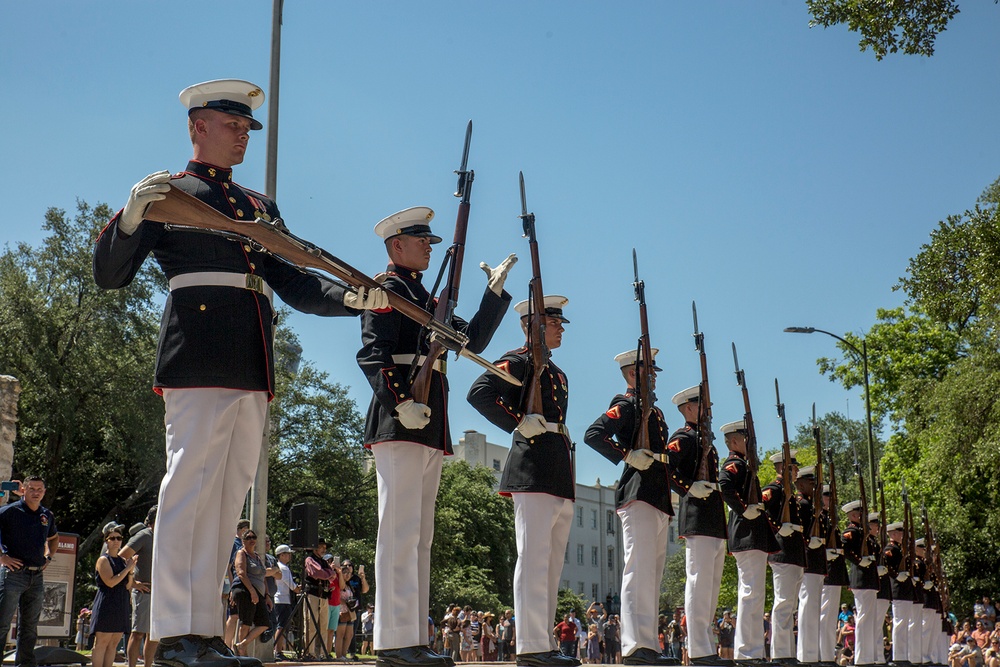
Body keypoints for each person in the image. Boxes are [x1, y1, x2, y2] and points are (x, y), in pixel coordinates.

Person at [92, 79, 388, 667]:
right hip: (198, 350)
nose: (244, 137)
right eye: (234, 126)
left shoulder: (259, 207)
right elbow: (109, 274)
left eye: (249, 129)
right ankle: (175, 632)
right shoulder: (168, 194)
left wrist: (353, 299)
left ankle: (202, 631)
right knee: (186, 492)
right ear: (197, 126)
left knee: (226, 499)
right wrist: (129, 217)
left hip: (251, 358)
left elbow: (296, 283)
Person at [358, 207, 513, 667]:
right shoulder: (387, 289)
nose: (430, 245)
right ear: (395, 246)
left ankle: (411, 638)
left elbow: (472, 342)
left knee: (420, 536)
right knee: (399, 531)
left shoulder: (425, 298)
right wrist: (398, 399)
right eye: (420, 239)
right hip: (402, 416)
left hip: (429, 421)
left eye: (431, 240)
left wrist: (493, 293)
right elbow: (373, 350)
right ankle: (392, 639)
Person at [468, 295, 578, 667]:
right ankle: (531, 646)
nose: (561, 328)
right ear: (531, 325)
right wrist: (517, 420)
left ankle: (542, 642)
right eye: (553, 322)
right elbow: (480, 393)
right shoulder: (517, 360)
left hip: (557, 467)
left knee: (550, 564)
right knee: (532, 559)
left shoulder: (556, 371)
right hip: (532, 467)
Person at [583, 348, 676, 666]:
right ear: (632, 374)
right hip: (637, 493)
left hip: (658, 496)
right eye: (648, 371)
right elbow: (593, 434)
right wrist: (625, 454)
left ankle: (648, 644)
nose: (653, 377)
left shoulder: (656, 411)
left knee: (652, 574)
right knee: (638, 571)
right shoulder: (625, 405)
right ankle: (636, 647)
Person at [663, 386, 727, 667]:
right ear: (688, 409)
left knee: (711, 587)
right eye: (703, 406)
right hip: (697, 516)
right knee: (699, 583)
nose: (708, 412)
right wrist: (689, 487)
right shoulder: (684, 438)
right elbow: (666, 467)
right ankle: (700, 650)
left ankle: (706, 647)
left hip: (713, 518)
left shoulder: (705, 441)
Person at [717, 419, 779, 665]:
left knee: (755, 596)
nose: (750, 443)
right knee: (749, 594)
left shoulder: (745, 465)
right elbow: (724, 485)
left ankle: (752, 650)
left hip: (753, 535)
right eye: (745, 439)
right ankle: (746, 652)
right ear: (733, 441)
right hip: (746, 533)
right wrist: (744, 510)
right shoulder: (735, 463)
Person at [0, 476, 60, 667]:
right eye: (32, 488)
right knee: (2, 624)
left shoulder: (46, 515)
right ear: (23, 490)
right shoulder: (10, 511)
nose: (36, 492)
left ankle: (25, 664)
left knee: (29, 627)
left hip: (36, 576)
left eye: (40, 489)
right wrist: (2, 557)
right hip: (13, 574)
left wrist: (49, 557)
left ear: (44, 491)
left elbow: (54, 538)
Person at [762, 451, 804, 665]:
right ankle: (780, 654)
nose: (796, 471)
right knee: (783, 605)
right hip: (782, 552)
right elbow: (763, 512)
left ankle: (787, 652)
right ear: (782, 468)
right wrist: (779, 528)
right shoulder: (774, 489)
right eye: (793, 468)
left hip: (794, 553)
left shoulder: (790, 493)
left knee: (790, 607)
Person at [90, 523, 138, 667]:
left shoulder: (123, 562)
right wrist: (127, 569)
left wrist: (130, 571)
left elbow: (128, 585)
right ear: (106, 541)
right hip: (107, 603)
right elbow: (110, 582)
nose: (116, 541)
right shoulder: (103, 560)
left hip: (121, 603)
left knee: (113, 643)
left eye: (119, 538)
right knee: (101, 643)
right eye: (112, 538)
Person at [795, 466, 828, 665]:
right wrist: (809, 542)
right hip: (807, 560)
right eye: (811, 483)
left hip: (816, 562)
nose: (814, 486)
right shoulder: (802, 504)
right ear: (800, 485)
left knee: (814, 610)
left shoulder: (813, 506)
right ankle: (806, 655)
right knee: (807, 608)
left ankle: (812, 653)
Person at [842, 500, 880, 667]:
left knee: (869, 619)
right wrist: (859, 560)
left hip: (870, 580)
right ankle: (862, 658)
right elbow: (845, 549)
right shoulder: (853, 531)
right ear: (854, 515)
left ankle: (868, 656)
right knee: (864, 618)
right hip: (861, 579)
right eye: (860, 514)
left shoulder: (865, 534)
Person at [121, 505, 157, 667]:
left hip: (160, 593)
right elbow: (121, 557)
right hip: (144, 592)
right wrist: (133, 582)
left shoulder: (165, 537)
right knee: (138, 633)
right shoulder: (144, 536)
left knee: (154, 635)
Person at [822, 486, 851, 667]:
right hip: (825, 570)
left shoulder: (830, 519)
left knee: (830, 616)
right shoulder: (819, 516)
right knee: (825, 615)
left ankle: (825, 653)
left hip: (833, 572)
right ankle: (822, 654)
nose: (831, 501)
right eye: (828, 497)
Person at [230, 531, 270, 655]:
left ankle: (241, 645)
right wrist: (252, 591)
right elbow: (241, 572)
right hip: (244, 590)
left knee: (264, 623)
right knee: (246, 621)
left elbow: (263, 577)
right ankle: (243, 654)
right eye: (248, 538)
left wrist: (267, 595)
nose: (251, 539)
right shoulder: (241, 553)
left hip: (258, 593)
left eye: (254, 537)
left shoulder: (257, 556)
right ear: (243, 541)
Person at [304, 539, 336, 658]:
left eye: (324, 547)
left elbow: (333, 575)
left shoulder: (323, 562)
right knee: (311, 625)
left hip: (324, 596)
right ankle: (310, 652)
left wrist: (327, 573)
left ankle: (322, 653)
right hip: (312, 595)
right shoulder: (309, 559)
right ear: (314, 547)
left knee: (324, 626)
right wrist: (328, 573)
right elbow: (317, 573)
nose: (324, 549)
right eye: (321, 547)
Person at [271, 545, 299, 661]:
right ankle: (277, 651)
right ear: (281, 555)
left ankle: (278, 650)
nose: (289, 556)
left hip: (278, 599)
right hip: (283, 600)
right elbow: (292, 586)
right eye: (287, 554)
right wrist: (299, 589)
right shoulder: (284, 568)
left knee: (280, 625)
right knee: (281, 626)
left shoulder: (278, 567)